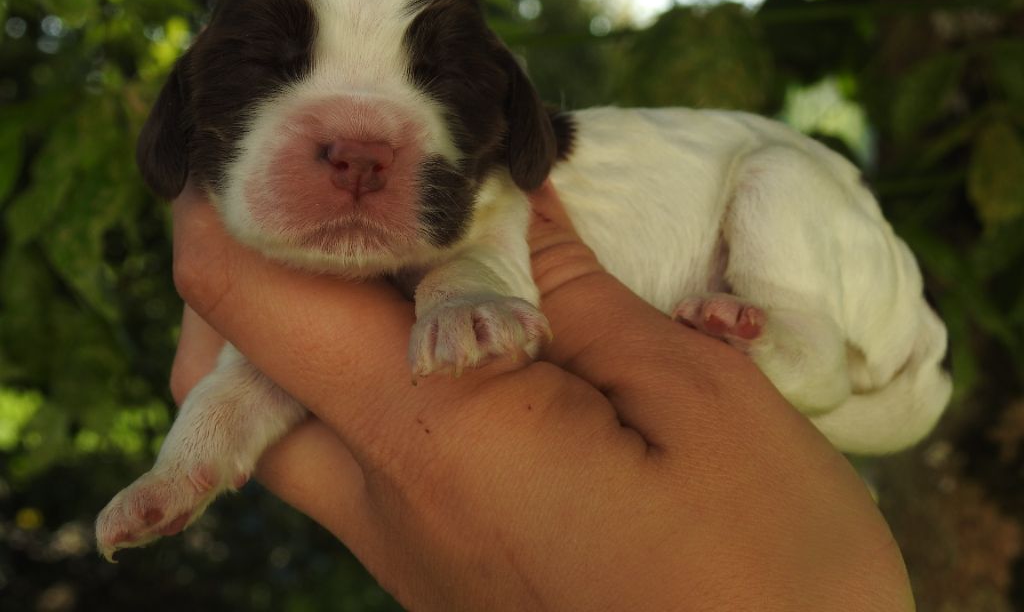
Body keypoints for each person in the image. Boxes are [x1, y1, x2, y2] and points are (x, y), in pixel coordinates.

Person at [168, 180, 915, 611]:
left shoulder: (462, 193)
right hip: (707, 387)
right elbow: (291, 358)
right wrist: (202, 440)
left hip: (786, 251)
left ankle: (802, 353)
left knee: (773, 188)